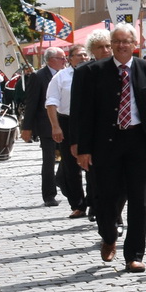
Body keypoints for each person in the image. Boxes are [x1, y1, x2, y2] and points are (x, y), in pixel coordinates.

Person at [74, 23, 146, 272]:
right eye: (116, 41)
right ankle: (108, 236)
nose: (121, 45)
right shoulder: (92, 71)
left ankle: (134, 255)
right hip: (105, 143)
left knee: (139, 200)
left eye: (126, 41)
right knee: (106, 198)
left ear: (134, 44)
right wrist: (83, 148)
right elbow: (82, 113)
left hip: (138, 141)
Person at [72, 30, 114, 220]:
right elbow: (77, 109)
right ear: (92, 50)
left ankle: (114, 214)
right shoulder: (84, 72)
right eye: (100, 47)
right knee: (94, 175)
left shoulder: (122, 69)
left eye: (108, 46)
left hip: (119, 132)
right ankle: (96, 206)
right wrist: (76, 141)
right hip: (94, 134)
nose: (105, 50)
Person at [20, 47, 67, 207]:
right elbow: (31, 103)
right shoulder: (38, 76)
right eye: (61, 58)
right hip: (46, 125)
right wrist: (27, 127)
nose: (65, 60)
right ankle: (49, 195)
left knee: (68, 157)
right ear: (51, 60)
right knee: (49, 160)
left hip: (65, 122)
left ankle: (61, 179)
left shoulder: (66, 74)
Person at [46, 45, 89, 216]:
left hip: (89, 121)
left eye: (85, 54)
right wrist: (55, 126)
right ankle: (78, 204)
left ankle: (94, 202)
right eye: (79, 55)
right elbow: (51, 102)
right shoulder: (61, 77)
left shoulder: (94, 73)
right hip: (67, 121)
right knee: (71, 166)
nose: (83, 57)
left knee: (93, 164)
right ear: (70, 59)